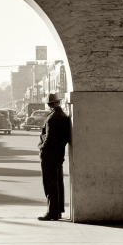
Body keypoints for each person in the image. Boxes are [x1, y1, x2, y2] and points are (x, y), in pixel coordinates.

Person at [38, 93, 71, 221]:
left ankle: (52, 212)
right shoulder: (62, 115)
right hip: (58, 153)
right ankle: (57, 211)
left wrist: (42, 149)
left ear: (49, 104)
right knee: (57, 182)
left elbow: (49, 138)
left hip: (50, 154)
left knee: (50, 183)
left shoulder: (52, 117)